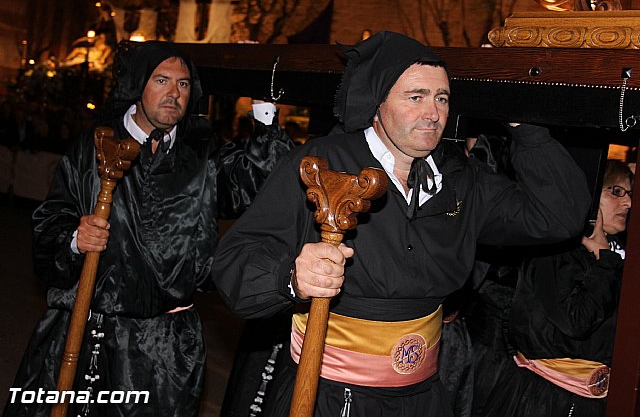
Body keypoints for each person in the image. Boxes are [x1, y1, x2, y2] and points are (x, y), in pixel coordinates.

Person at [213, 30, 591, 416]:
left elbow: (558, 215)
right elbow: (235, 261)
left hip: (421, 395)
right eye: (416, 97)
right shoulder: (323, 163)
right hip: (332, 394)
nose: (433, 113)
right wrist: (290, 277)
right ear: (378, 103)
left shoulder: (460, 177)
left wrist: (522, 127)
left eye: (441, 98)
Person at [4, 40, 292, 417]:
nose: (174, 93)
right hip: (90, 331)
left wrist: (264, 108)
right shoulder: (94, 149)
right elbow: (51, 221)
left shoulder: (203, 153)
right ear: (138, 86)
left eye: (184, 84)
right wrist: (75, 239)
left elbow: (259, 181)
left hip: (167, 348)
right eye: (162, 80)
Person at [483, 159, 632, 417]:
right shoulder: (556, 249)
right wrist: (605, 263)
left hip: (594, 402)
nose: (628, 203)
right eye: (616, 191)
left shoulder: (619, 254)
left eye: (630, 194)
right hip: (544, 400)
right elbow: (576, 322)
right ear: (591, 193)